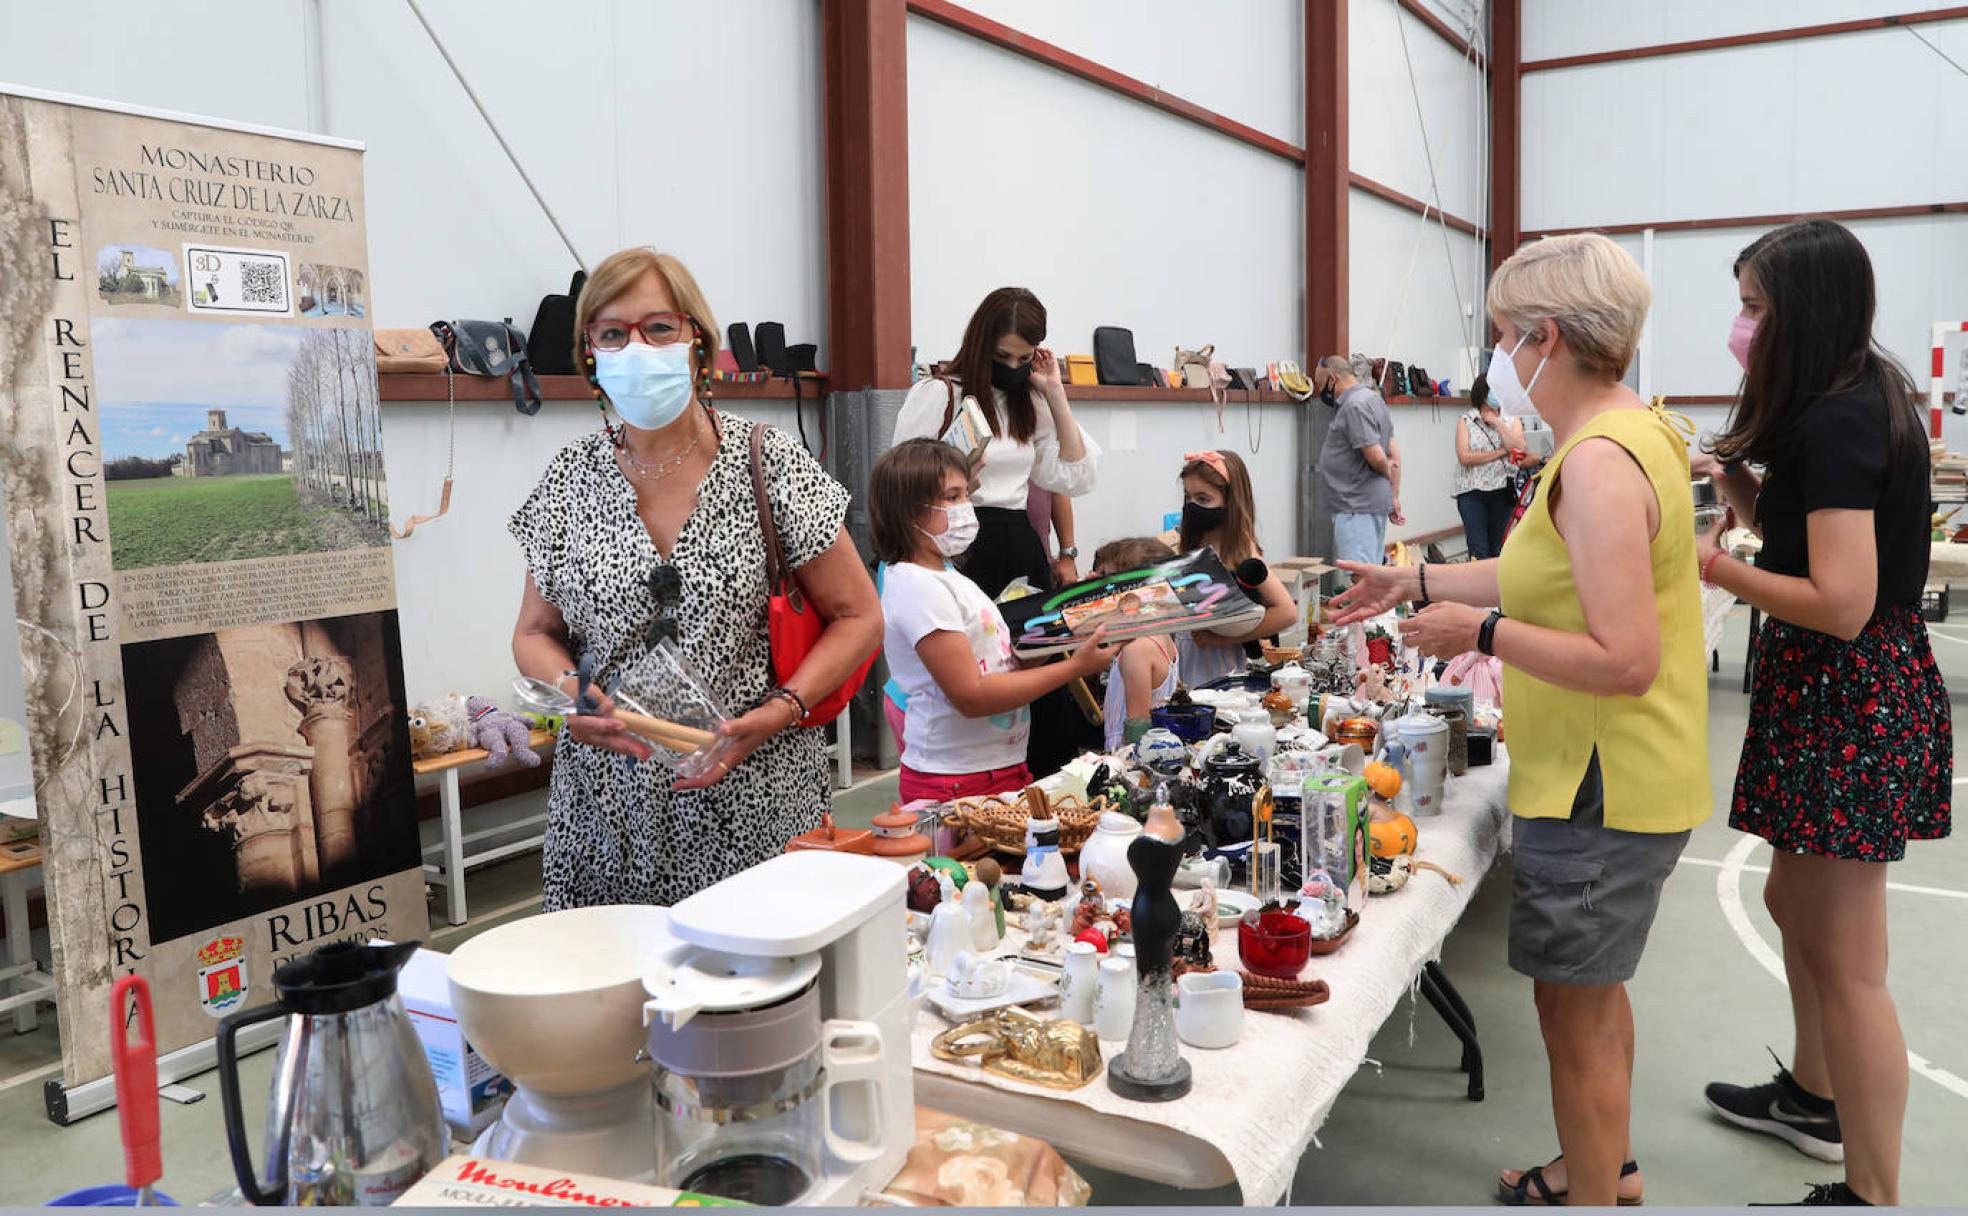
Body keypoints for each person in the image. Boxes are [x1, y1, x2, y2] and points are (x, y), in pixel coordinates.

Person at [1331, 233, 1709, 1208]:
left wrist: (1482, 632)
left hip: (1603, 779)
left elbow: (1626, 659)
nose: (1498, 358)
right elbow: (1543, 572)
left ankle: (1592, 1195)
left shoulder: (1595, 463)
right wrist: (1409, 577)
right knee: (1587, 995)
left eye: (1502, 336)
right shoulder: (1633, 431)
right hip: (1610, 771)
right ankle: (1604, 1169)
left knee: (1577, 1018)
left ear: (1545, 337)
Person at [1694, 220, 1950, 1208]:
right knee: (1790, 901)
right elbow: (1813, 541)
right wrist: (1739, 490)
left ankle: (1870, 1189)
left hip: (1851, 702)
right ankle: (1810, 1095)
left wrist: (1718, 567)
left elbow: (1842, 600)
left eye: (1755, 307)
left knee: (1852, 966)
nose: (1742, 325)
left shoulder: (1841, 418)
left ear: (1800, 312)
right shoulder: (1848, 399)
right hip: (1827, 696)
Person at [508, 247, 882, 909]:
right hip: (608, 815)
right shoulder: (569, 479)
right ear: (589, 351)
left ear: (697, 340)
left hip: (756, 801)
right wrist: (576, 694)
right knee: (612, 1000)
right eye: (613, 333)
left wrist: (785, 708)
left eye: (658, 328)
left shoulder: (768, 462)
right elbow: (535, 634)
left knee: (755, 998)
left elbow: (860, 616)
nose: (636, 347)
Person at [892, 287, 1102, 774]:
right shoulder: (941, 392)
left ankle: (1042, 788)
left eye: (1024, 357)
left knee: (1040, 681)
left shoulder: (1031, 398)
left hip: (1019, 545)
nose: (1012, 365)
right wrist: (963, 476)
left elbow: (1074, 475)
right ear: (981, 342)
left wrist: (1054, 391)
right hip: (961, 544)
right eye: (1002, 355)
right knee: (978, 677)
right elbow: (901, 478)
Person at [871, 439, 1116, 804]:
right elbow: (971, 695)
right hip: (954, 779)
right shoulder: (917, 585)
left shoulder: (946, 574)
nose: (965, 508)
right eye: (951, 497)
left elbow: (1002, 662)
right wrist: (1074, 669)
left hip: (998, 765)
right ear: (908, 512)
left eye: (966, 494)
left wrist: (1070, 623)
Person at [1173, 450, 1299, 688]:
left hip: (1219, 667)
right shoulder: (1195, 540)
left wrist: (1219, 638)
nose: (1192, 506)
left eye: (1203, 499)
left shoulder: (1241, 551)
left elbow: (1286, 612)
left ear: (1230, 500)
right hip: (1185, 657)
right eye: (1188, 497)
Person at [1089, 537, 1181, 750]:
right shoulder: (1162, 635)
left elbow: (1138, 730)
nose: (1094, 584)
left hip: (1128, 758)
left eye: (1105, 580)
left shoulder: (1137, 648)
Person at [1314, 355, 1404, 565]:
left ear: (1332, 379)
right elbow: (1395, 453)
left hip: (1356, 506)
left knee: (1361, 575)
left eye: (1320, 384)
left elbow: (1377, 456)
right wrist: (1394, 495)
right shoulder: (1374, 400)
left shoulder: (1355, 406)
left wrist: (1386, 472)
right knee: (1371, 573)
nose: (1320, 390)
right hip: (1366, 505)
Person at [1452, 372, 1526, 559]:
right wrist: (1502, 451)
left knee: (1498, 550)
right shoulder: (1466, 420)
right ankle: (1476, 588)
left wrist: (1497, 423)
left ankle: (1495, 588)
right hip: (1472, 492)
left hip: (1503, 491)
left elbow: (1518, 447)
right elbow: (1464, 457)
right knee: (1479, 551)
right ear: (1484, 393)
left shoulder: (1512, 419)